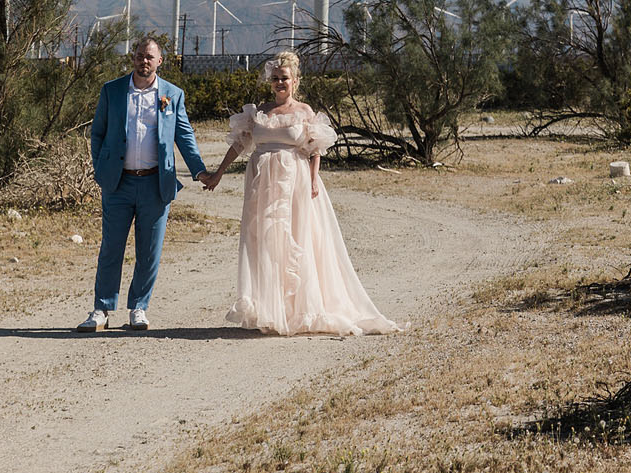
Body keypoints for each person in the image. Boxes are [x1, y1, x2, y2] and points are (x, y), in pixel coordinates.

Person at [205, 51, 403, 337]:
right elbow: (239, 145)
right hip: (261, 185)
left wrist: (312, 179)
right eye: (275, 79)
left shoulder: (304, 112)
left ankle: (302, 309)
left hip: (294, 183)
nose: (279, 83)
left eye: (284, 78)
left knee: (297, 240)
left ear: (295, 81)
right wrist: (219, 173)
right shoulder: (260, 112)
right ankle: (274, 310)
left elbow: (315, 148)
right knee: (265, 242)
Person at [77, 36, 211, 332]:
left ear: (159, 61)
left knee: (149, 251)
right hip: (119, 183)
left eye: (150, 57)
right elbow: (97, 133)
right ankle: (102, 308)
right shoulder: (112, 91)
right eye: (139, 55)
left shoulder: (172, 95)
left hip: (155, 184)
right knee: (111, 248)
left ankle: (139, 307)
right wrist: (101, 168)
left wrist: (200, 171)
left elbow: (184, 136)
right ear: (133, 58)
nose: (144, 61)